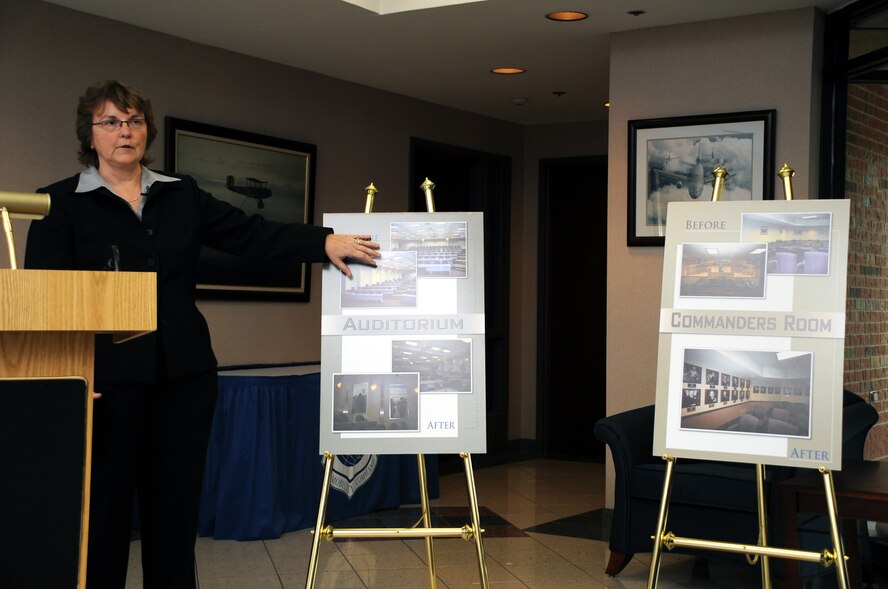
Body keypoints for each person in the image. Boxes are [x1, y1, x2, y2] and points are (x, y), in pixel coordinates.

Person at [24, 80, 380, 589]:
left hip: (184, 381)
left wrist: (323, 240)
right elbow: (46, 304)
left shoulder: (180, 193)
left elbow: (251, 234)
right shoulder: (58, 204)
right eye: (111, 122)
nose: (125, 131)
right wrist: (64, 379)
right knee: (104, 519)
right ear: (90, 134)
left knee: (174, 519)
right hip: (104, 388)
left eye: (134, 121)